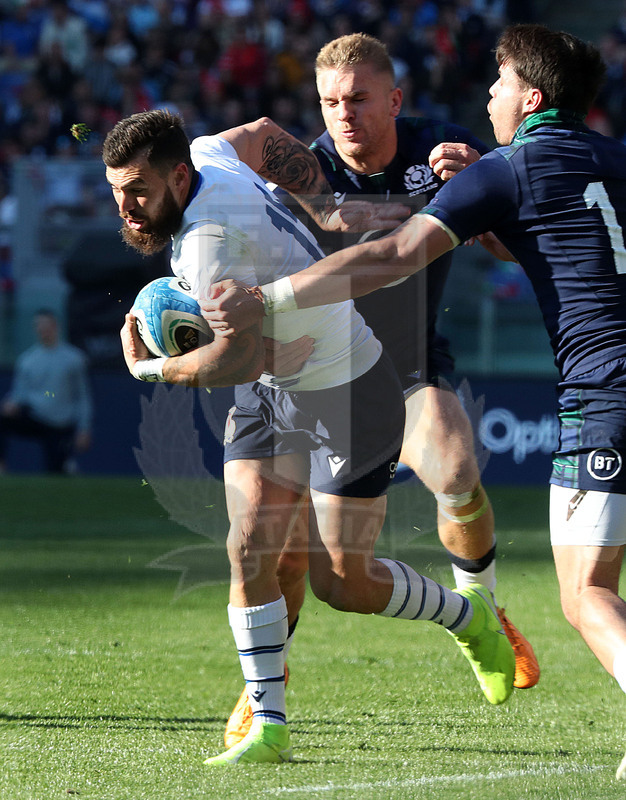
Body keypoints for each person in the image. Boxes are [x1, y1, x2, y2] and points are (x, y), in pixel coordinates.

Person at [205, 24, 626, 779]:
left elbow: (514, 242)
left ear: (394, 99)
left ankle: (483, 610)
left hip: (405, 369)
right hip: (307, 377)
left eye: (359, 99)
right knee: (281, 551)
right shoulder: (303, 170)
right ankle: (264, 694)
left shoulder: (453, 152)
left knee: (458, 471)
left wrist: (475, 189)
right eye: (330, 101)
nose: (344, 113)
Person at [105, 109, 515, 766]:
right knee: (251, 550)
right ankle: (267, 721)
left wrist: (151, 369)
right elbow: (263, 133)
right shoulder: (208, 151)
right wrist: (324, 208)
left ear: (179, 177)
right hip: (271, 391)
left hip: (348, 390)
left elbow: (237, 359)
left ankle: (471, 618)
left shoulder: (208, 246)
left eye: (138, 191)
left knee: (344, 583)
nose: (126, 208)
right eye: (117, 190)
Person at [0, 308, 92, 474]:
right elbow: (20, 393)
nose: (42, 328)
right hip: (35, 417)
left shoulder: (74, 359)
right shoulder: (27, 360)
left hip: (61, 423)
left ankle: (66, 465)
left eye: (46, 324)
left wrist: (83, 429)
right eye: (38, 325)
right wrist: (11, 403)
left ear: (55, 326)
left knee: (55, 472)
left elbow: (82, 397)